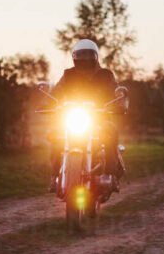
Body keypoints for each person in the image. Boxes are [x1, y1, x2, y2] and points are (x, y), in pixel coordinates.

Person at [48, 39, 123, 192]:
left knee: (111, 131)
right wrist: (48, 101)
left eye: (88, 55)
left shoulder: (106, 75)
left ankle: (109, 174)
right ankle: (55, 176)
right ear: (74, 56)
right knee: (54, 134)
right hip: (72, 118)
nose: (84, 58)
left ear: (95, 56)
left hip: (99, 119)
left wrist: (119, 102)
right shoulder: (68, 75)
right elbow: (57, 92)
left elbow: (115, 91)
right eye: (81, 55)